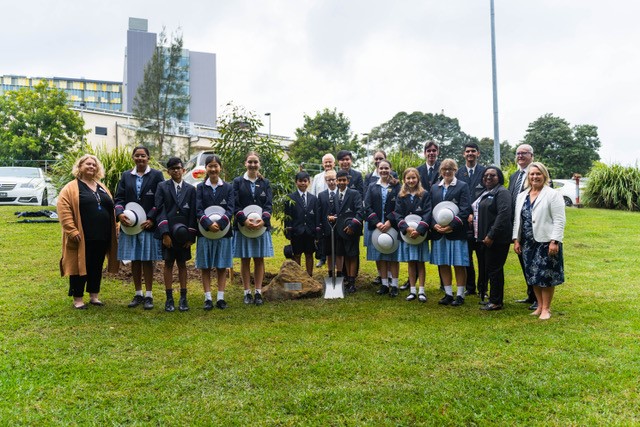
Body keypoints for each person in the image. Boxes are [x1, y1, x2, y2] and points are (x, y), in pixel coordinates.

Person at [57, 154, 118, 309]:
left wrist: (115, 227)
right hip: (82, 236)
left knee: (96, 265)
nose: (91, 167)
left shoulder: (102, 187)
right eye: (88, 164)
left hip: (102, 235)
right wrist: (71, 230)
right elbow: (64, 210)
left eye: (94, 165)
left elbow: (110, 208)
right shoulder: (71, 188)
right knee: (79, 266)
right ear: (80, 167)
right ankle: (78, 299)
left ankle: (94, 296)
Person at [512, 162, 565, 320]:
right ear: (528, 176)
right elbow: (518, 220)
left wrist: (554, 240)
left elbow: (559, 220)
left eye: (538, 174)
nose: (535, 177)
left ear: (544, 175)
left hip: (546, 242)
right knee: (533, 275)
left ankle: (546, 309)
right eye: (532, 174)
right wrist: (516, 239)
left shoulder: (552, 194)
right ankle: (539, 306)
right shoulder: (522, 196)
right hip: (528, 242)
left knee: (546, 276)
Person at [115, 146, 164, 310]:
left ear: (148, 158)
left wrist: (151, 218)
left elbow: (160, 200)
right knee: (134, 259)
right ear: (133, 157)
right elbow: (119, 198)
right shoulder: (126, 176)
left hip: (147, 224)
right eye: (137, 156)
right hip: (129, 224)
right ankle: (138, 293)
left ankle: (149, 295)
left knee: (147, 260)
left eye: (143, 155)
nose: (140, 158)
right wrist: (120, 214)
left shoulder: (156, 175)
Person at [154, 157, 197, 312]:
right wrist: (165, 234)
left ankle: (183, 298)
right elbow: (160, 210)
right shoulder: (162, 187)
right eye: (172, 169)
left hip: (184, 233)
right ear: (168, 171)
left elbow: (193, 213)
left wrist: (191, 237)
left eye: (179, 168)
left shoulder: (191, 189)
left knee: (182, 264)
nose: (176, 171)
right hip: (169, 234)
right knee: (168, 264)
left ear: (183, 170)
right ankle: (169, 299)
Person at [233, 151, 274, 306]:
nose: (252, 165)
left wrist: (263, 221)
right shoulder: (237, 182)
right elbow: (235, 204)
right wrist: (244, 221)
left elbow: (268, 205)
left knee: (259, 259)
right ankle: (246, 292)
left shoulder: (265, 183)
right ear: (245, 163)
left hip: (261, 227)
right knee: (245, 259)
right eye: (250, 162)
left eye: (255, 162)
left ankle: (257, 292)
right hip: (243, 226)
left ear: (259, 164)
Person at [430, 159, 471, 306]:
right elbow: (430, 209)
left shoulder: (462, 186)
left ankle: (460, 295)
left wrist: (451, 226)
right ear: (441, 171)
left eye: (450, 169)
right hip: (438, 232)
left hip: (456, 232)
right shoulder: (434, 188)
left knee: (459, 263)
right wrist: (434, 225)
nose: (447, 171)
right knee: (443, 263)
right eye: (444, 169)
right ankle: (448, 293)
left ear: (455, 170)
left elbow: (465, 209)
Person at [196, 155, 235, 310]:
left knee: (221, 265)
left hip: (223, 232)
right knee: (205, 265)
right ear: (206, 168)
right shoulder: (200, 188)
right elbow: (197, 209)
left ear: (220, 168)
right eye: (210, 166)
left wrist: (219, 224)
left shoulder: (228, 187)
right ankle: (207, 298)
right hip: (204, 231)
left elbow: (231, 208)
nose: (213, 169)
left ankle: (220, 297)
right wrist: (207, 223)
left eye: (216, 166)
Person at [470, 166, 512, 310]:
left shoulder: (502, 192)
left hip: (497, 239)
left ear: (499, 177)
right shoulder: (486, 192)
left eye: (492, 175)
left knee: (494, 270)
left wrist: (491, 235)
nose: (488, 178)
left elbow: (503, 215)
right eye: (486, 175)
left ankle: (496, 301)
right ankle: (493, 298)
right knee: (490, 269)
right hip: (484, 239)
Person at [364, 159, 401, 296]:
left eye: (386, 168)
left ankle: (395, 285)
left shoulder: (397, 186)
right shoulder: (372, 186)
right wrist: (377, 222)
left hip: (393, 226)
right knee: (381, 256)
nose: (384, 171)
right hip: (377, 227)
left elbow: (400, 206)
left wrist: (390, 221)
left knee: (393, 257)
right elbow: (367, 207)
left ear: (390, 169)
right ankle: (384, 284)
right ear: (378, 170)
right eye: (381, 168)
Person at [394, 167, 432, 302]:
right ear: (404, 180)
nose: (411, 180)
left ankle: (421, 290)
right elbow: (397, 214)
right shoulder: (401, 195)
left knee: (420, 262)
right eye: (408, 178)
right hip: (407, 235)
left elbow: (428, 212)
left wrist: (420, 229)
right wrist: (407, 228)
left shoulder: (424, 194)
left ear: (418, 179)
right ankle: (412, 290)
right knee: (411, 262)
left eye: (413, 178)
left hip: (420, 234)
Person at [508, 144, 538, 309]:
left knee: (534, 262)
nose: (520, 156)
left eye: (524, 153)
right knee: (524, 261)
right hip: (517, 226)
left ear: (531, 156)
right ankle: (530, 294)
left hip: (532, 227)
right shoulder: (514, 176)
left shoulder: (536, 174)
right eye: (518, 153)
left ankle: (538, 298)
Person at [455, 142, 486, 297]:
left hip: (481, 221)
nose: (470, 154)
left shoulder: (485, 172)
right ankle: (470, 287)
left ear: (478, 153)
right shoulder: (458, 173)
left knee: (482, 257)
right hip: (464, 222)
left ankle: (482, 288)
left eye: (473, 151)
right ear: (463, 154)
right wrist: (466, 213)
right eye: (467, 151)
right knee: (466, 256)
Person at [329, 169, 363, 293]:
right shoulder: (334, 195)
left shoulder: (355, 194)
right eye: (339, 180)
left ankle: (352, 282)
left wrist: (352, 226)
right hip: (339, 231)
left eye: (344, 180)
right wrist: (331, 217)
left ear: (348, 181)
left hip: (352, 230)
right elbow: (334, 212)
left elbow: (360, 211)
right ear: (336, 181)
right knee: (343, 255)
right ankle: (347, 279)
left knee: (352, 255)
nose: (342, 182)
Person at [284, 171, 320, 276]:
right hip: (296, 231)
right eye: (300, 181)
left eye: (305, 181)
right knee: (297, 254)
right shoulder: (290, 198)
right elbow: (288, 216)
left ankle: (309, 276)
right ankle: (298, 276)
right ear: (296, 182)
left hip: (310, 231)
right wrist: (288, 230)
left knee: (309, 254)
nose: (303, 183)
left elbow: (317, 216)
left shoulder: (314, 199)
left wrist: (317, 230)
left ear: (309, 182)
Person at [310, 153, 335, 267]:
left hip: (335, 209)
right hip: (321, 209)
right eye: (326, 162)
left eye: (330, 161)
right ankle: (322, 258)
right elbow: (313, 193)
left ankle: (334, 259)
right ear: (322, 164)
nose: (328, 164)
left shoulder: (337, 176)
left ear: (334, 163)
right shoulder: (317, 177)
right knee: (322, 235)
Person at [317, 170, 339, 277]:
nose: (331, 182)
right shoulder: (321, 195)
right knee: (329, 252)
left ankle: (339, 273)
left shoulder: (340, 193)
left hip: (339, 228)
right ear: (326, 181)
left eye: (333, 180)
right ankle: (330, 273)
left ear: (337, 180)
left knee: (339, 252)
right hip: (327, 228)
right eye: (328, 180)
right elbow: (320, 212)